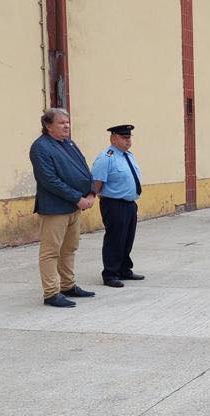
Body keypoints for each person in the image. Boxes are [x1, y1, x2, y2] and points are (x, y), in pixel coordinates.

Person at [29, 108, 96, 308]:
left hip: (74, 207)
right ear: (48, 126)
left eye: (67, 122)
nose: (66, 126)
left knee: (69, 248)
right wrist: (77, 198)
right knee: (51, 252)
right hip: (55, 209)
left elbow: (84, 168)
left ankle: (68, 285)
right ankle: (51, 293)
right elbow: (49, 180)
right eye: (61, 123)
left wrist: (91, 192)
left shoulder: (69, 143)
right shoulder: (41, 148)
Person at [91, 124, 145, 288]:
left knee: (127, 238)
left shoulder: (128, 156)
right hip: (113, 204)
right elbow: (97, 183)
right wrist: (93, 198)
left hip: (129, 204)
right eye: (124, 137)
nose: (128, 140)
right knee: (115, 238)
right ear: (113, 138)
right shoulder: (106, 157)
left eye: (129, 137)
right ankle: (110, 273)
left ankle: (124, 269)